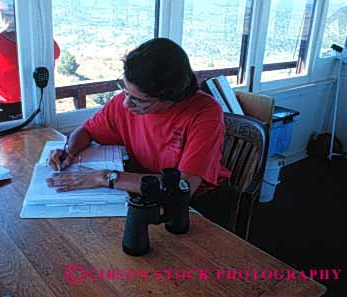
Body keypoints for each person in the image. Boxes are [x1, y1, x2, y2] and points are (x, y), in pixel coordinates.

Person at [47, 38, 235, 225]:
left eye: (139, 100)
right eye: (126, 91)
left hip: (194, 204)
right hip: (141, 190)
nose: (126, 103)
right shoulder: (126, 103)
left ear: (171, 96)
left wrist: (105, 177)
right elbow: (86, 131)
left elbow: (182, 186)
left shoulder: (205, 112)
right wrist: (69, 152)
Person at [0, 0, 60, 125]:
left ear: (2, 15)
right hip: (36, 107)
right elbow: (49, 67)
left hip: (1, 113)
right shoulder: (43, 39)